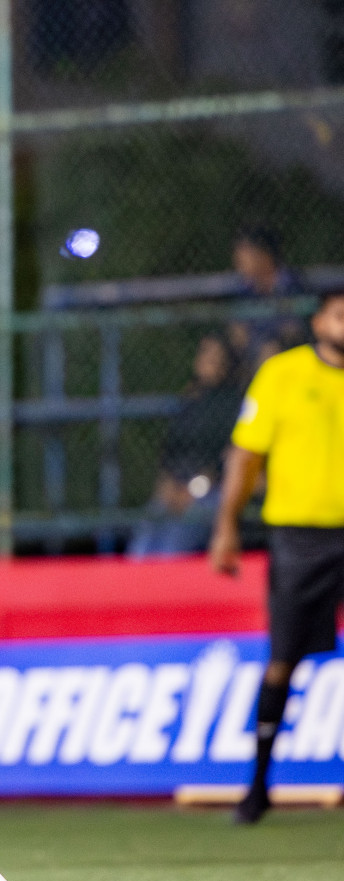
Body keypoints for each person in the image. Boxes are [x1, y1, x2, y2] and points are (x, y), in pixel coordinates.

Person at [209, 287, 344, 824]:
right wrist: (226, 526)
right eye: (341, 314)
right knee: (282, 661)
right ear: (319, 322)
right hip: (299, 538)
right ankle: (258, 786)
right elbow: (246, 455)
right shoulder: (282, 375)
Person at [129, 335, 245, 558]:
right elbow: (170, 452)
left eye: (216, 357)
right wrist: (169, 486)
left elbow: (227, 460)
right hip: (176, 488)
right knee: (141, 549)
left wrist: (193, 490)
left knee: (171, 549)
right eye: (205, 355)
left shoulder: (233, 405)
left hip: (209, 492)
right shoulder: (189, 402)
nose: (209, 362)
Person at [229, 225, 304, 373]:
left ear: (264, 255)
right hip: (250, 347)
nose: (238, 261)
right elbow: (237, 329)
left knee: (270, 351)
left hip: (284, 346)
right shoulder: (244, 289)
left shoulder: (291, 284)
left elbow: (294, 328)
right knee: (212, 349)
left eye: (245, 254)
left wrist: (267, 340)